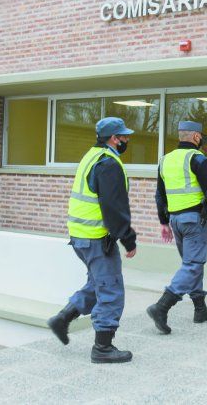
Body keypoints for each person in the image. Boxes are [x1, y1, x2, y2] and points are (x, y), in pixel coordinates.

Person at [47, 117, 137, 363]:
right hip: (96, 238)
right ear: (113, 139)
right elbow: (113, 208)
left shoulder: (91, 156)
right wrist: (128, 239)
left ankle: (62, 319)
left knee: (98, 283)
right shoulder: (108, 163)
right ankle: (102, 348)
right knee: (111, 289)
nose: (127, 140)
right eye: (124, 136)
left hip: (80, 236)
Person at [147, 120, 207, 334]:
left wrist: (163, 222)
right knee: (193, 264)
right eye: (200, 136)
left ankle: (200, 309)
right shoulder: (198, 158)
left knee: (191, 264)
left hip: (175, 221)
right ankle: (162, 307)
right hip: (193, 220)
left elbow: (159, 194)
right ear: (196, 136)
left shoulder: (165, 160)